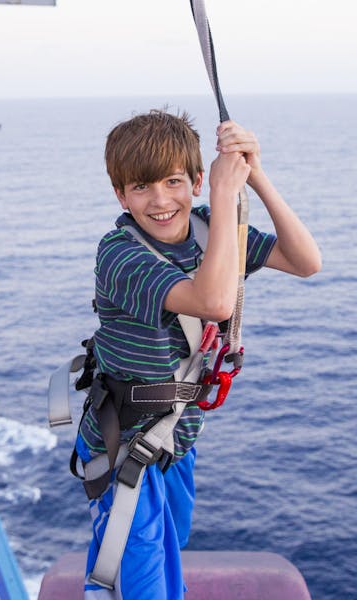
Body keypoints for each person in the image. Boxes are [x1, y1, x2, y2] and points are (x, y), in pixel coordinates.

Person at [73, 110, 321, 598]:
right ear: (121, 196)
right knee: (139, 575)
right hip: (124, 444)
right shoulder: (121, 254)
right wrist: (225, 196)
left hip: (176, 438)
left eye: (173, 181)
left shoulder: (210, 233)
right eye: (141, 187)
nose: (161, 200)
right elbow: (213, 302)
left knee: (163, 551)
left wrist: (256, 174)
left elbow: (305, 261)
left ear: (195, 180)